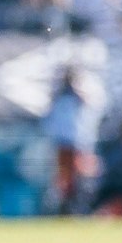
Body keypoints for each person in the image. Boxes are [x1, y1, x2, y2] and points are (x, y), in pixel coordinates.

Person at [42, 67, 91, 215]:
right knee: (60, 176)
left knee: (78, 175)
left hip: (75, 142)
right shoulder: (57, 98)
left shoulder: (77, 98)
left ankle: (76, 206)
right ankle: (59, 205)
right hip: (61, 142)